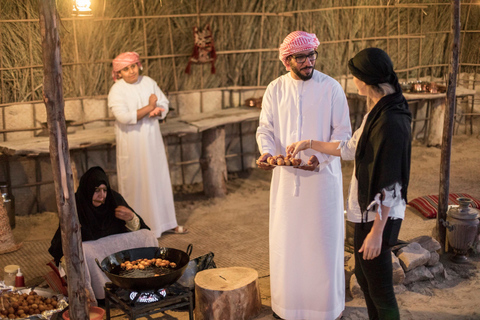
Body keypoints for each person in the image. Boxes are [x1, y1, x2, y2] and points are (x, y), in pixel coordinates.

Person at [287, 47, 412, 320]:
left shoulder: (391, 122)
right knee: (366, 282)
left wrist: (377, 233)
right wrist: (309, 143)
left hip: (380, 216)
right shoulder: (379, 110)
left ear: (365, 80)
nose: (351, 80)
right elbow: (350, 148)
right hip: (365, 209)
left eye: (354, 75)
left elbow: (392, 186)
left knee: (380, 288)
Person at [256, 31, 352, 320]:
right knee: (289, 244)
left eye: (312, 56)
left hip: (322, 183)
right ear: (287, 61)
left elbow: (343, 134)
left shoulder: (332, 88)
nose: (308, 62)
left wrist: (317, 158)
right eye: (301, 57)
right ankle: (288, 308)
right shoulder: (275, 89)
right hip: (286, 183)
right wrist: (267, 153)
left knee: (322, 245)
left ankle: (326, 310)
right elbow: (266, 129)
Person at [48, 166, 158, 302]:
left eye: (104, 190)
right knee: (83, 251)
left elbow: (139, 229)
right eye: (96, 191)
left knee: (148, 236)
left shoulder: (113, 199)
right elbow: (62, 246)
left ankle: (148, 281)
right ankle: (100, 295)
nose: (102, 196)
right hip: (94, 256)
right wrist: (74, 231)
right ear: (88, 190)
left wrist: (131, 218)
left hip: (117, 253)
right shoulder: (76, 205)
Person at [108, 52, 186, 237]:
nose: (131, 71)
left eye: (133, 66)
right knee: (136, 183)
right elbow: (124, 117)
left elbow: (164, 104)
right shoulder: (117, 90)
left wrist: (158, 111)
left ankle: (167, 223)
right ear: (118, 73)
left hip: (152, 142)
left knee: (158, 180)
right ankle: (138, 228)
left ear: (139, 65)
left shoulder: (148, 82)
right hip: (132, 144)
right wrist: (150, 107)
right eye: (125, 69)